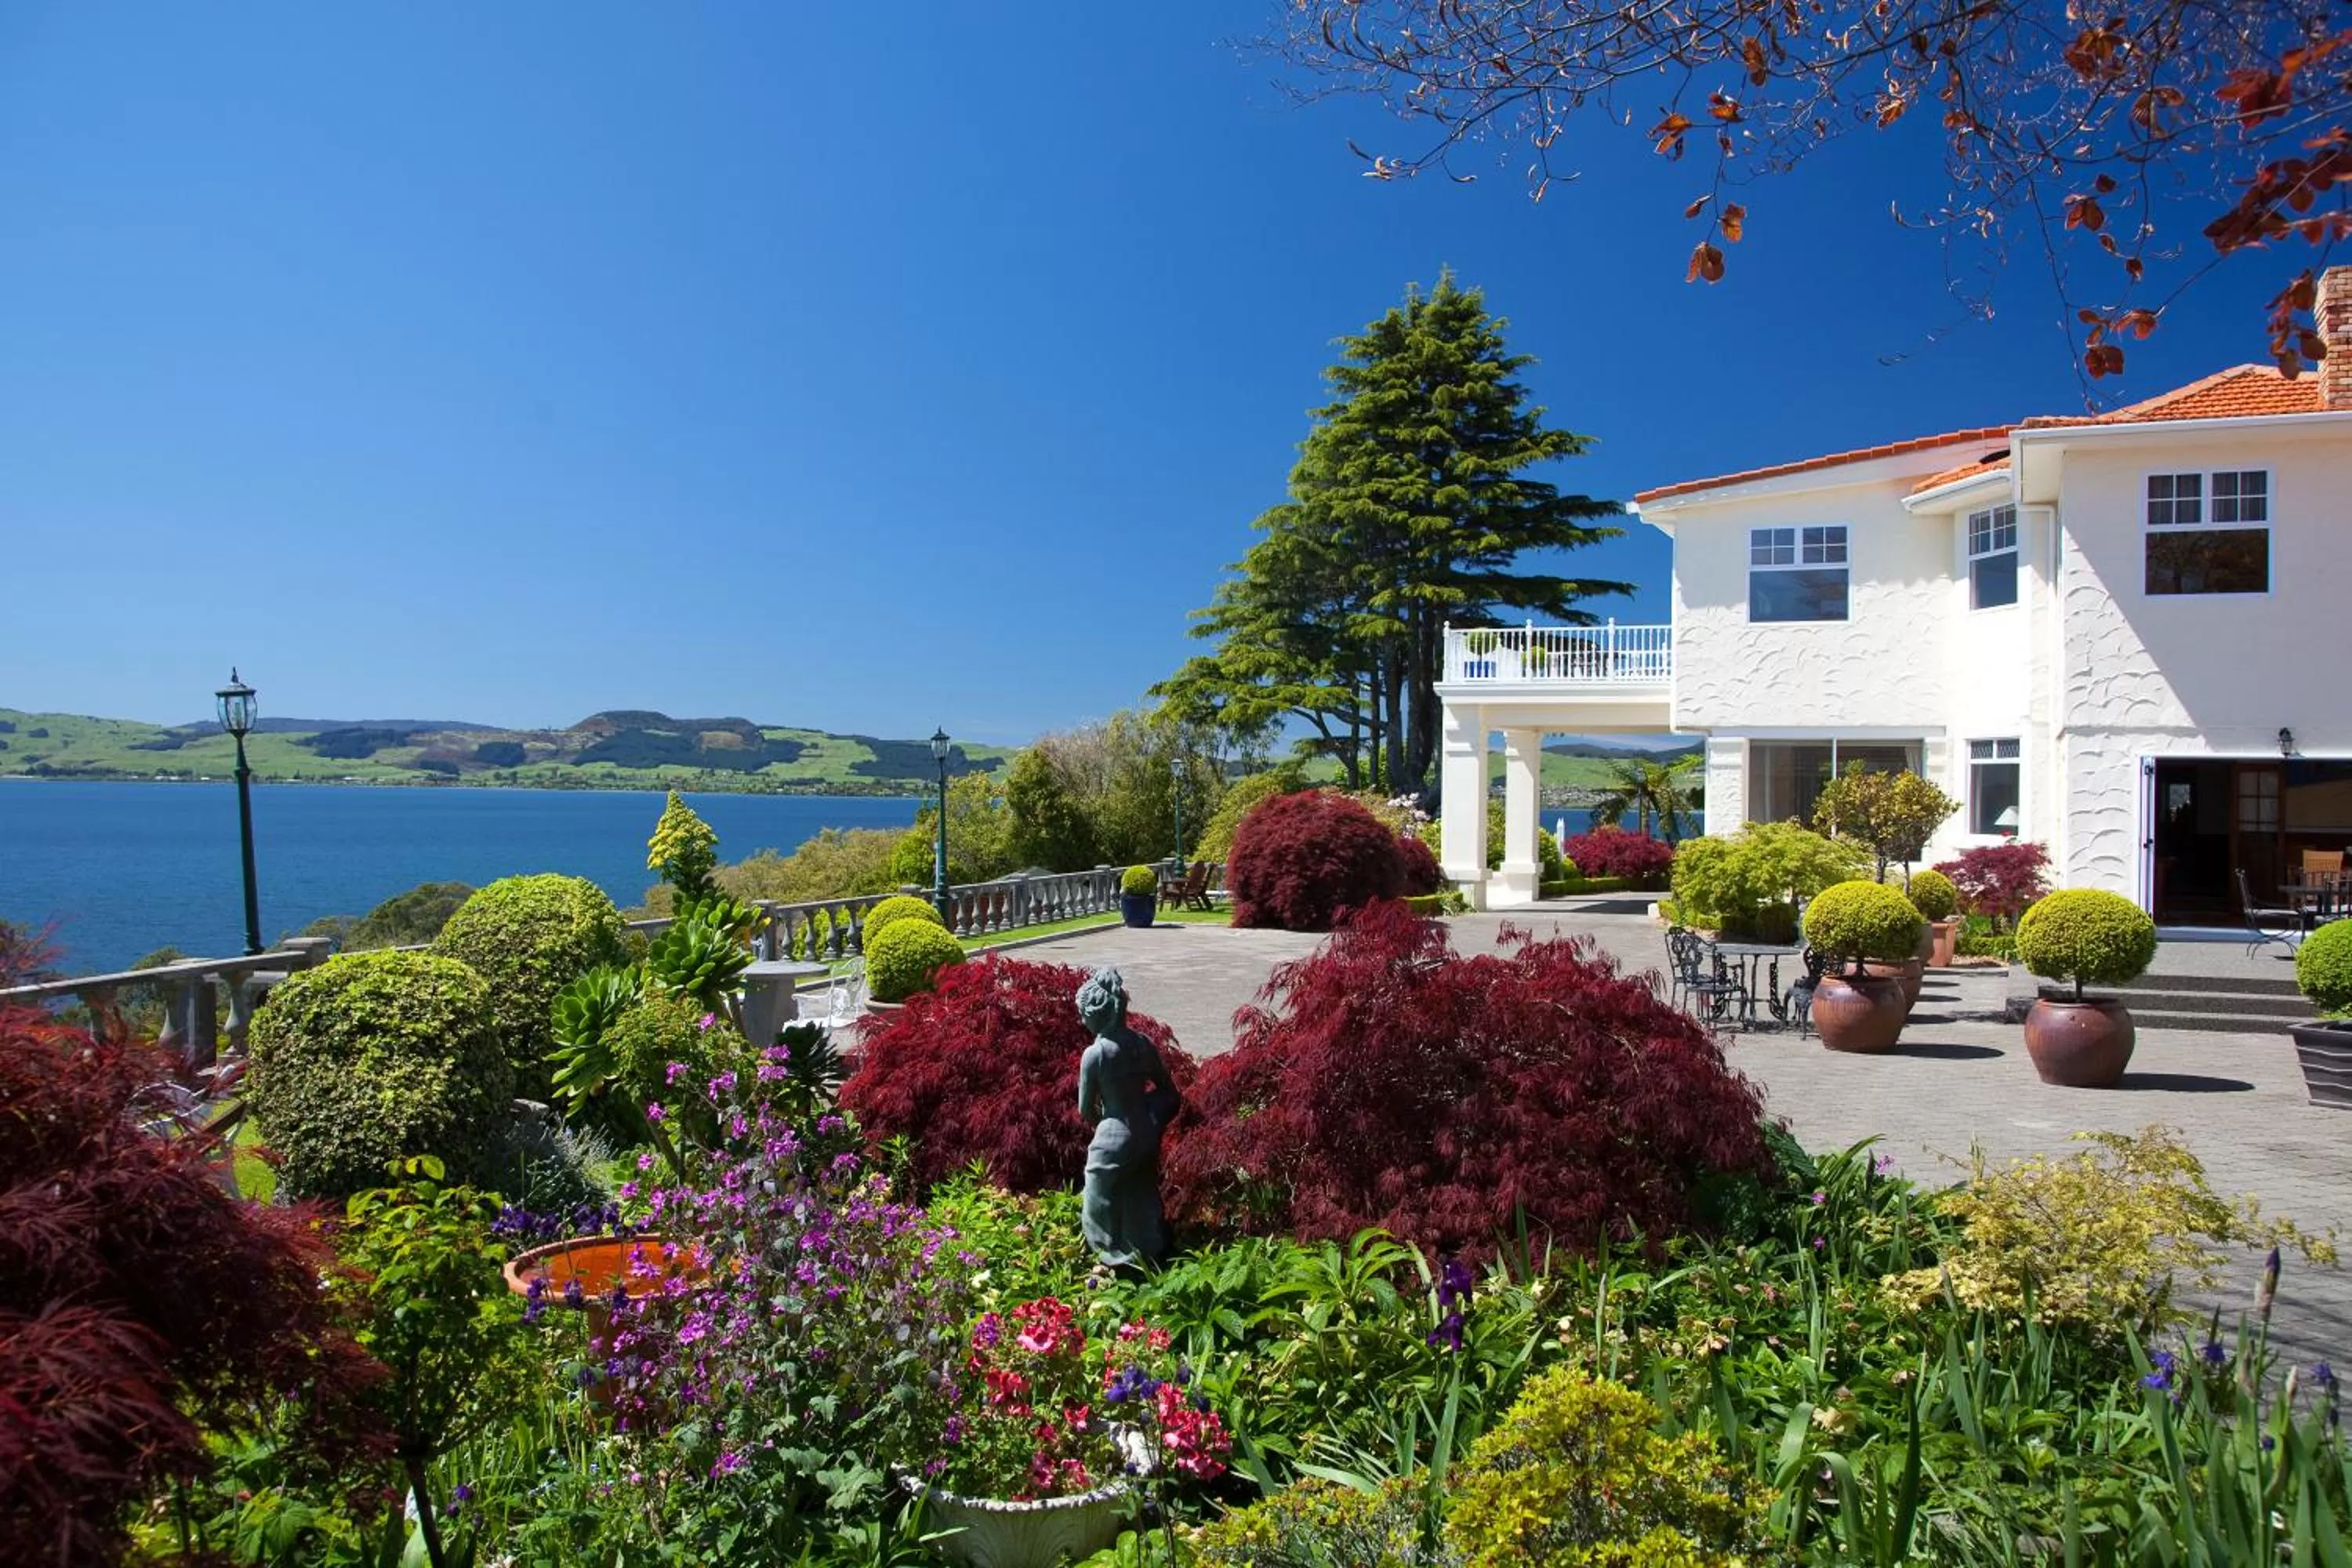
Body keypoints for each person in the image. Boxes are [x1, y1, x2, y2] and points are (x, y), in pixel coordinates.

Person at [1074, 966, 1181, 1269]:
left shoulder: (1096, 1055)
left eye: (1084, 1015)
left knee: (1097, 1195)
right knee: (1140, 1189)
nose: (1082, 1021)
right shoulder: (1143, 1043)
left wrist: (1106, 1128)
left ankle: (1111, 1257)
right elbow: (1170, 1093)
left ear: (1098, 1014)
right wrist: (1151, 1116)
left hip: (1113, 1132)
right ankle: (1150, 1247)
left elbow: (1085, 1110)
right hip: (1145, 1130)